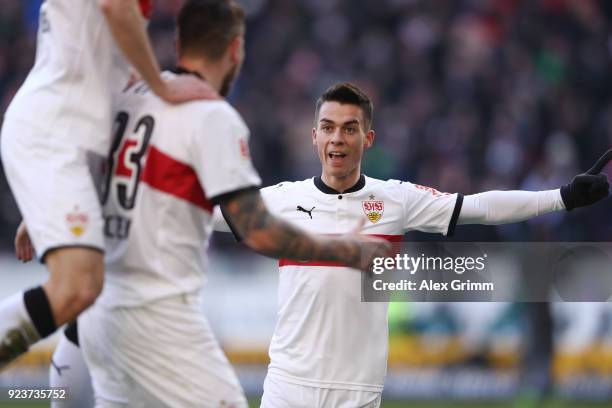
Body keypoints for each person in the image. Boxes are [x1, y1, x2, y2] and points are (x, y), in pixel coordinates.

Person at [42, 81, 611, 407]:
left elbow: (480, 206)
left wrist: (560, 197)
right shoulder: (278, 200)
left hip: (359, 392)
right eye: (328, 127)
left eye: (349, 128)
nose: (338, 138)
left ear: (368, 136)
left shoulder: (397, 199)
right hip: (289, 387)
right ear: (314, 135)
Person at [11, 1, 390, 406]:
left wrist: (47, 206)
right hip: (158, 316)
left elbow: (90, 163)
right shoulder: (211, 116)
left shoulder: (129, 98)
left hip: (100, 317)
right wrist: (343, 249)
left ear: (177, 42)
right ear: (235, 50)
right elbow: (258, 229)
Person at [0, 0, 215, 370]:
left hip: (67, 141)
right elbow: (115, 7)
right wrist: (161, 86)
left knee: (86, 292)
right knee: (79, 288)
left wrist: (44, 201)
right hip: (56, 133)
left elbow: (95, 62)